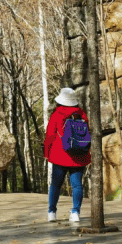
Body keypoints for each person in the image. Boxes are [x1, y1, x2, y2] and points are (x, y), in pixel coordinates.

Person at [43, 87, 91, 223]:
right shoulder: (81, 114)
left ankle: (52, 212)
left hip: (60, 155)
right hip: (79, 155)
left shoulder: (57, 114)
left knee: (56, 185)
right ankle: (75, 212)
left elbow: (50, 136)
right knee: (77, 185)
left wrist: (47, 153)